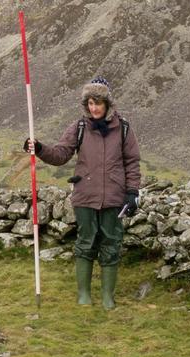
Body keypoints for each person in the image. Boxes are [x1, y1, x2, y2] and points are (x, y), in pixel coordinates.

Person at [24, 75, 141, 309]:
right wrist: (39, 148)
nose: (94, 108)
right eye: (90, 103)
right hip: (85, 197)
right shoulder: (78, 127)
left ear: (107, 104)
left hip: (114, 198)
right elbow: (60, 154)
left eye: (98, 103)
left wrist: (132, 192)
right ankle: (84, 296)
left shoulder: (124, 129)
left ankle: (108, 297)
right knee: (85, 243)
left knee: (111, 243)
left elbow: (132, 162)